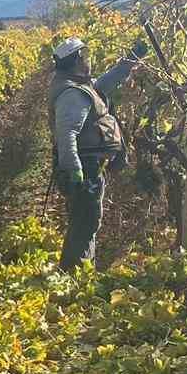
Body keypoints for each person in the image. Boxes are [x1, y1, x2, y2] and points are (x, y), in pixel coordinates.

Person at [48, 35, 149, 271]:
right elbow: (67, 135)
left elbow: (105, 82)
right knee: (85, 222)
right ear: (77, 61)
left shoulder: (78, 84)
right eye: (86, 56)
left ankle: (81, 273)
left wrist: (132, 59)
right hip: (85, 168)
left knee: (86, 221)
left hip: (89, 165)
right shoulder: (73, 94)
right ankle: (75, 277)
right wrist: (74, 171)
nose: (89, 60)